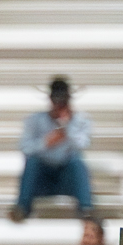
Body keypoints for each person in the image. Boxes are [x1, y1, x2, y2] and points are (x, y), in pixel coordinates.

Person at [11, 76, 92, 221]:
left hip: (66, 176)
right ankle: (22, 208)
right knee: (32, 162)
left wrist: (67, 129)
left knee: (77, 162)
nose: (59, 105)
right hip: (42, 177)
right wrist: (46, 142)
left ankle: (86, 209)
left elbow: (83, 145)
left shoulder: (81, 119)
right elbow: (25, 148)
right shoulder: (35, 120)